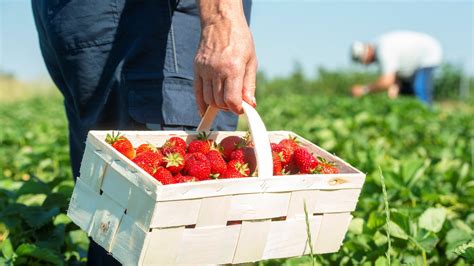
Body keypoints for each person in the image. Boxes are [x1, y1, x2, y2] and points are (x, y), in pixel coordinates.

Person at [32, 0, 256, 265]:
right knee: (174, 229)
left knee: (114, 215)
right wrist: (221, 15)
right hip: (147, 13)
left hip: (70, 15)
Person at [350, 30, 442, 104]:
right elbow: (393, 77)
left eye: (363, 60)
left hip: (427, 55)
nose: (366, 64)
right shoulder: (379, 47)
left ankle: (427, 114)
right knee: (405, 91)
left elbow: (387, 81)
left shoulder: (383, 50)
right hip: (411, 64)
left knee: (419, 87)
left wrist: (364, 90)